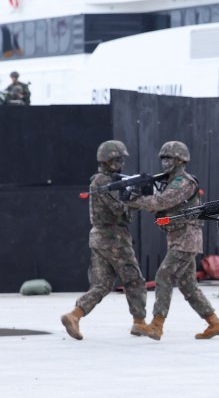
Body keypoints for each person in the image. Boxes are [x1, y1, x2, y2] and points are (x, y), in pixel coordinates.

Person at [125, 140, 219, 339]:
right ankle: (215, 323)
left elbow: (161, 201)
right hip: (178, 238)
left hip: (186, 239)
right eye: (163, 158)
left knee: (164, 275)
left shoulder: (183, 182)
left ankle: (157, 324)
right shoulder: (169, 182)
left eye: (169, 158)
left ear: (181, 160)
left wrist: (133, 200)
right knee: (188, 286)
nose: (165, 162)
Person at [60, 140, 151, 340]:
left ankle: (75, 315)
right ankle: (140, 323)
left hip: (102, 238)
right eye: (118, 159)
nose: (121, 163)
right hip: (114, 238)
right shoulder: (102, 182)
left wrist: (133, 192)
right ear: (110, 160)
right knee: (134, 279)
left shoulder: (104, 180)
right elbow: (119, 210)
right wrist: (134, 196)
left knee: (102, 285)